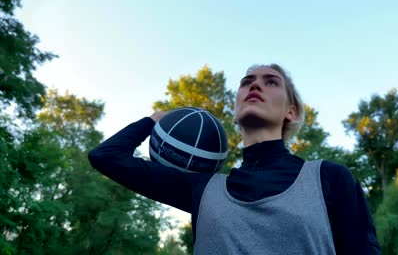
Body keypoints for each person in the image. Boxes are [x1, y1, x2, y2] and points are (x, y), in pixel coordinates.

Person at [88, 64, 381, 254]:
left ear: (290, 112)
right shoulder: (202, 190)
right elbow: (106, 157)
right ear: (238, 105)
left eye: (271, 82)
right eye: (247, 82)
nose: (255, 85)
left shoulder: (329, 179)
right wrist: (156, 119)